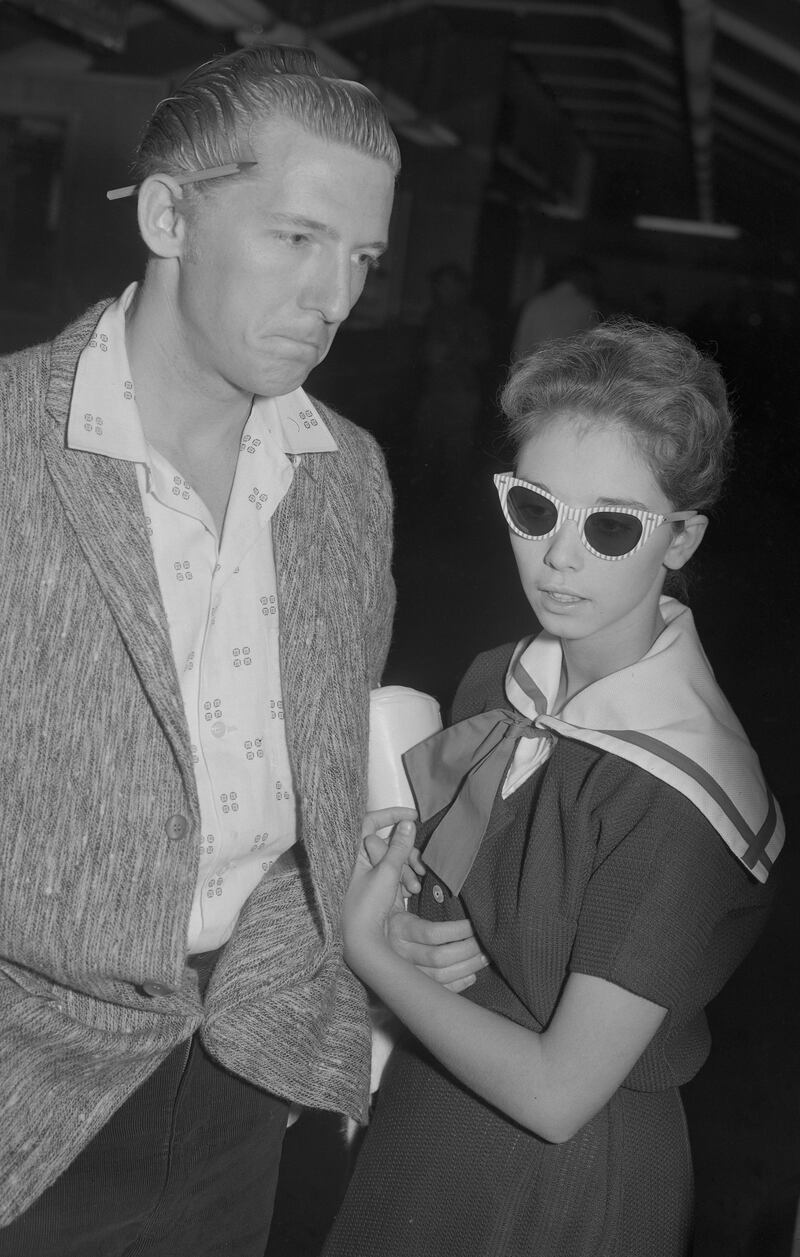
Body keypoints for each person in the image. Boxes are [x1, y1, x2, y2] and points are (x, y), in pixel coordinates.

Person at [0, 44, 485, 1254]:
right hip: (26, 1083)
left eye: (363, 257)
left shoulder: (346, 481)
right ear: (170, 215)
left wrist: (369, 909)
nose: (336, 295)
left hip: (246, 1074)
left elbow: (316, 772)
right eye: (296, 239)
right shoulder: (11, 448)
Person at [322, 319, 784, 1256]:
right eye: (537, 510)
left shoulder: (684, 789)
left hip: (561, 1187)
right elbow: (454, 910)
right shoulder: (501, 677)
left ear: (683, 539)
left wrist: (367, 952)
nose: (560, 557)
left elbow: (559, 1092)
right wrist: (414, 934)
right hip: (428, 1123)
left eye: (612, 525)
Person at [511, 254, 599, 360]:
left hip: (533, 371)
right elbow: (592, 348)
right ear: (583, 277)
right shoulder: (585, 306)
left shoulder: (536, 302)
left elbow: (520, 346)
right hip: (567, 373)